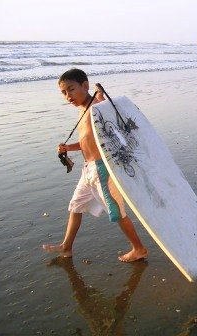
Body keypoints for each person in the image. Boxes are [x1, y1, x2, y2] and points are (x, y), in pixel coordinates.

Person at [42, 68, 148, 262]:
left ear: (85, 85)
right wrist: (68, 147)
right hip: (88, 169)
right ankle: (66, 247)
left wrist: (99, 96)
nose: (68, 96)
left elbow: (109, 112)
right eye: (64, 93)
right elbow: (87, 143)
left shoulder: (95, 107)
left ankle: (139, 248)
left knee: (116, 212)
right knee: (76, 206)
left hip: (103, 170)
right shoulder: (83, 110)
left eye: (71, 89)